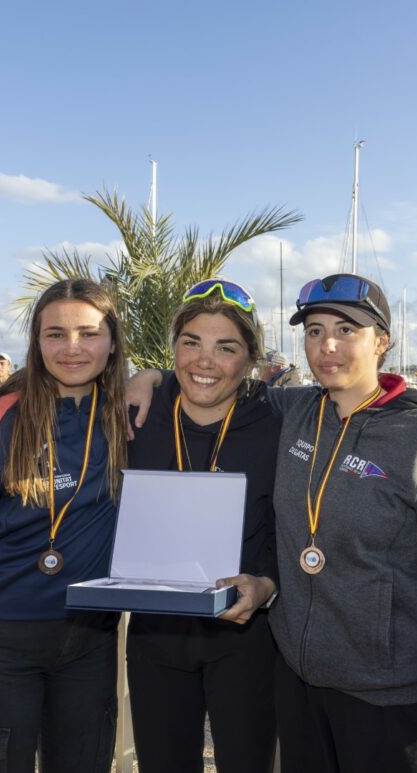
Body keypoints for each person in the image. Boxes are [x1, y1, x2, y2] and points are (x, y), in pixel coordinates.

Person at [131, 274, 417, 773]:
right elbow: (209, 375)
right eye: (313, 330)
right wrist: (150, 375)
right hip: (299, 687)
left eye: (346, 330)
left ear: (381, 341)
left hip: (391, 696)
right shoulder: (294, 410)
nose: (327, 345)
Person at [0, 278, 129, 772]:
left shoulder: (125, 416)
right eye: (55, 334)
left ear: (113, 342)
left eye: (89, 333)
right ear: (36, 344)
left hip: (91, 640)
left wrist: (149, 378)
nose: (73, 348)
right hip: (3, 645)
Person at [126, 279, 281, 773]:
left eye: (226, 347)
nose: (204, 361)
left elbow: (295, 525)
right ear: (172, 348)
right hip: (155, 634)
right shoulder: (136, 411)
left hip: (245, 634)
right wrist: (143, 375)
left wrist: (268, 583)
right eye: (191, 342)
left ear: (252, 359)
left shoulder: (278, 420)